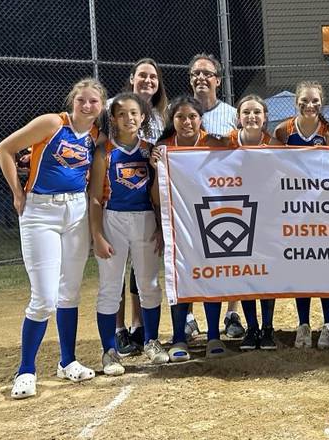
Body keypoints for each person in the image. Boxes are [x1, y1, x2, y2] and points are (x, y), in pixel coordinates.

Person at [0, 78, 105, 399]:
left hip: (75, 211)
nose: (87, 106)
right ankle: (26, 370)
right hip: (40, 211)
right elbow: (4, 149)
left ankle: (67, 361)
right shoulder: (52, 122)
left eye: (93, 102)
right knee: (44, 297)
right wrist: (17, 192)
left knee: (69, 292)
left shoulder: (95, 136)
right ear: (73, 101)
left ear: (101, 107)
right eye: (81, 100)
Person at [89, 93, 168, 375]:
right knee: (111, 286)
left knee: (149, 283)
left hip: (145, 218)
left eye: (134, 113)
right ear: (113, 118)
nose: (129, 118)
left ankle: (151, 340)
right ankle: (109, 350)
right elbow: (96, 198)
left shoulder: (150, 150)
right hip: (114, 219)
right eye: (122, 114)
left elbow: (158, 195)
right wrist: (97, 235)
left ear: (143, 117)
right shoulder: (105, 152)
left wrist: (160, 227)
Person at [152, 96, 227, 362]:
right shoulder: (164, 149)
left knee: (211, 275)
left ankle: (214, 334)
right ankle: (178, 337)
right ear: (172, 121)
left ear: (200, 119)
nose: (187, 122)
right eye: (181, 117)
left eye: (192, 117)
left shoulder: (212, 143)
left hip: (209, 219)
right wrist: (158, 169)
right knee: (180, 277)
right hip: (178, 224)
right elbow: (156, 198)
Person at [274, 81, 329, 349]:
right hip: (294, 209)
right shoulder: (283, 131)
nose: (310, 105)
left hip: (324, 210)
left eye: (315, 100)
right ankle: (303, 325)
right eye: (304, 100)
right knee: (301, 266)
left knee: (325, 265)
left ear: (322, 102)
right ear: (296, 102)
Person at [186, 53, 244, 340]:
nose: (201, 78)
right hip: (191, 196)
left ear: (218, 80)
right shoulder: (181, 113)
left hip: (227, 194)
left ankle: (232, 313)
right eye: (196, 73)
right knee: (194, 255)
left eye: (207, 74)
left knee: (231, 252)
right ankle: (189, 316)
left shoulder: (233, 114)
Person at [223, 95, 278, 351]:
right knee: (246, 273)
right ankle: (252, 327)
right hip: (238, 215)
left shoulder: (274, 144)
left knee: (266, 274)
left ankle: (267, 328)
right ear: (238, 117)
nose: (252, 116)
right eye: (246, 112)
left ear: (265, 116)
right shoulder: (227, 143)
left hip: (268, 216)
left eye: (257, 112)